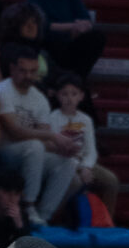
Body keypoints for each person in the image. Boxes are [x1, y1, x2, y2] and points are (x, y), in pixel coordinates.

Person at [0, 46, 78, 226]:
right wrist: (53, 136)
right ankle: (29, 205)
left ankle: (43, 215)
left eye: (32, 72)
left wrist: (63, 148)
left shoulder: (39, 98)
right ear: (12, 69)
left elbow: (44, 139)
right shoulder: (1, 91)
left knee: (68, 162)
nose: (28, 76)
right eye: (23, 71)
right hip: (2, 151)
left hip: (29, 152)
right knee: (34, 146)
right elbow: (14, 132)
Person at [47, 73, 120, 218]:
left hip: (84, 162)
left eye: (74, 94)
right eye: (65, 94)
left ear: (81, 96)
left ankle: (104, 222)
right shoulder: (52, 118)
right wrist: (79, 168)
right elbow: (55, 149)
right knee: (75, 182)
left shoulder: (86, 120)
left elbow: (91, 150)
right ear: (58, 95)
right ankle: (54, 217)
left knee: (111, 181)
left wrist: (86, 167)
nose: (69, 98)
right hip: (64, 161)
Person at [27, 0, 105, 79]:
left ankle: (77, 80)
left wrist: (81, 28)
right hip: (47, 42)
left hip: (69, 40)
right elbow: (42, 24)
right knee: (56, 43)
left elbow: (86, 19)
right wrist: (72, 26)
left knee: (97, 38)